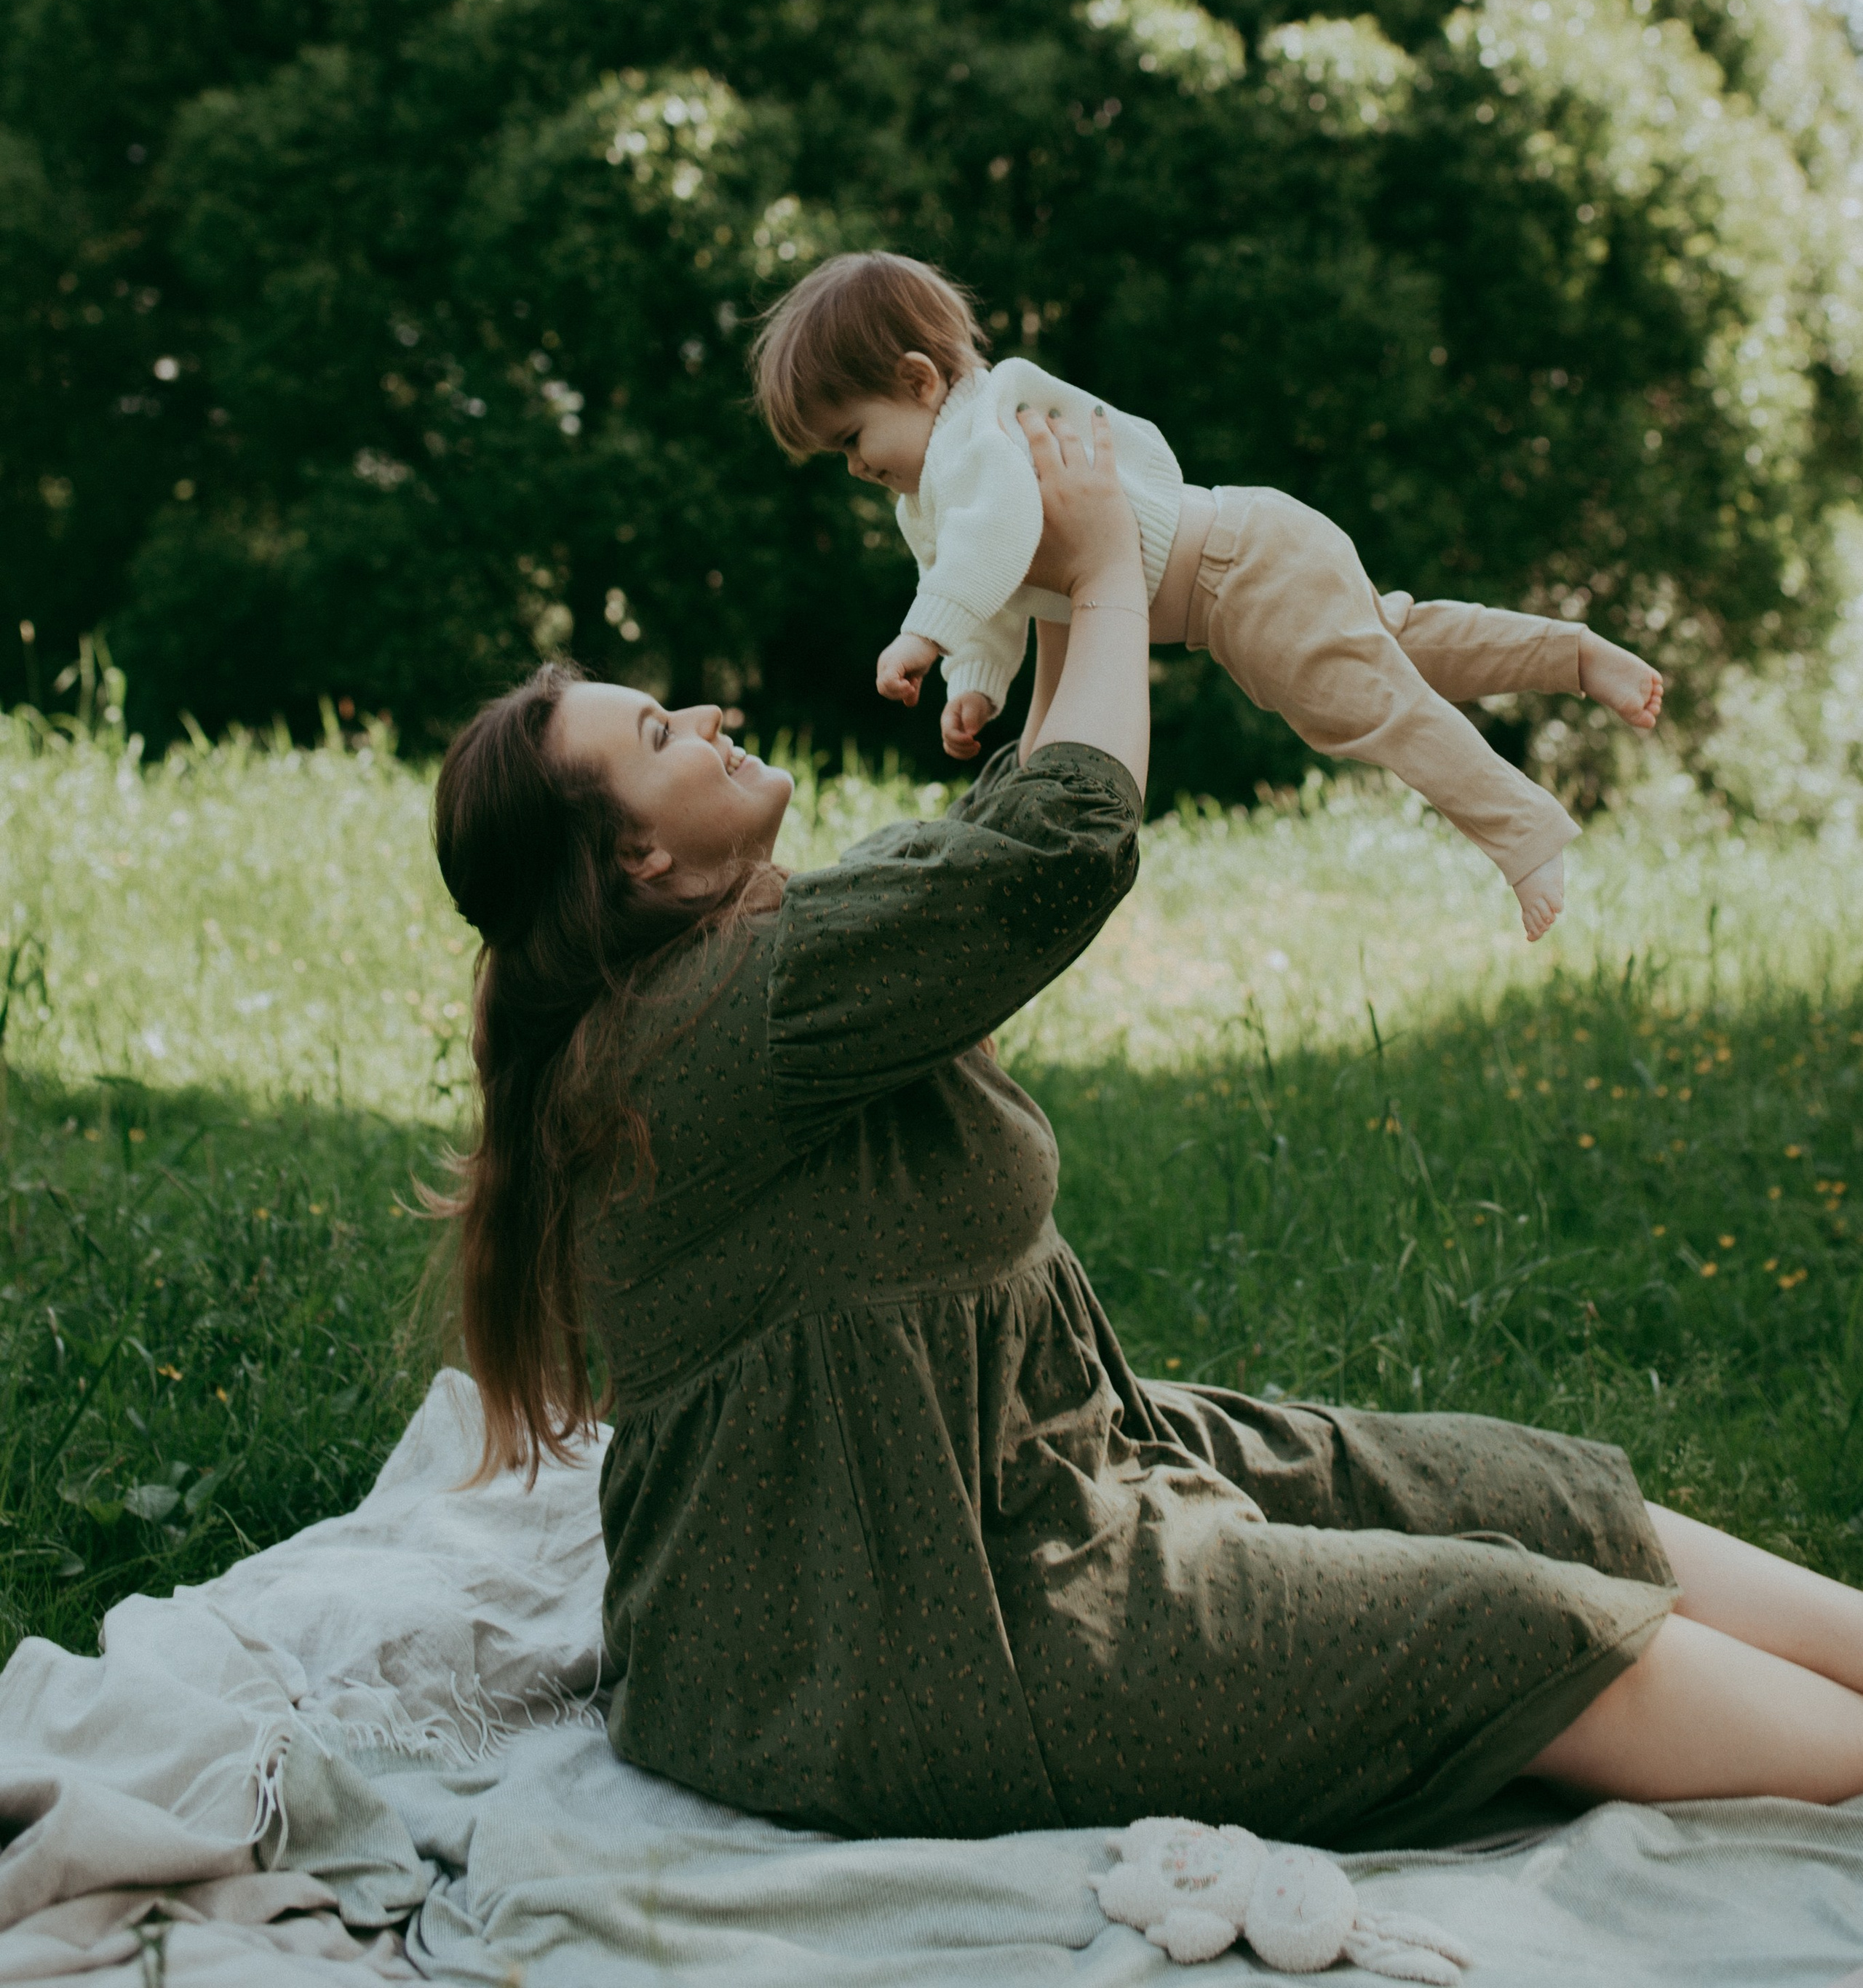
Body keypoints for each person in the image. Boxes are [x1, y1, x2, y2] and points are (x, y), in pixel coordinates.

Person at [432, 413, 1863, 1848]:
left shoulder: (734, 970)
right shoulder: (723, 1012)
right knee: (1507, 1623)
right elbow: (1054, 852)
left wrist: (1056, 604)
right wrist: (1112, 579)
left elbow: (985, 864)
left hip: (1035, 1472)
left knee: (1509, 1487)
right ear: (635, 858)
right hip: (897, 1647)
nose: (709, 718)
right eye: (659, 734)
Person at [750, 251, 1666, 945]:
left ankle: (1524, 837)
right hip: (1251, 552)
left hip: (1243, 570)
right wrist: (974, 685)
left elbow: (990, 546)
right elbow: (993, 596)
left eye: (853, 438)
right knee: (1396, 645)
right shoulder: (932, 484)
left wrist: (920, 642)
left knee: (1365, 705)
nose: (857, 467)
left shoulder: (977, 434)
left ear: (917, 381)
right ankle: (1570, 656)